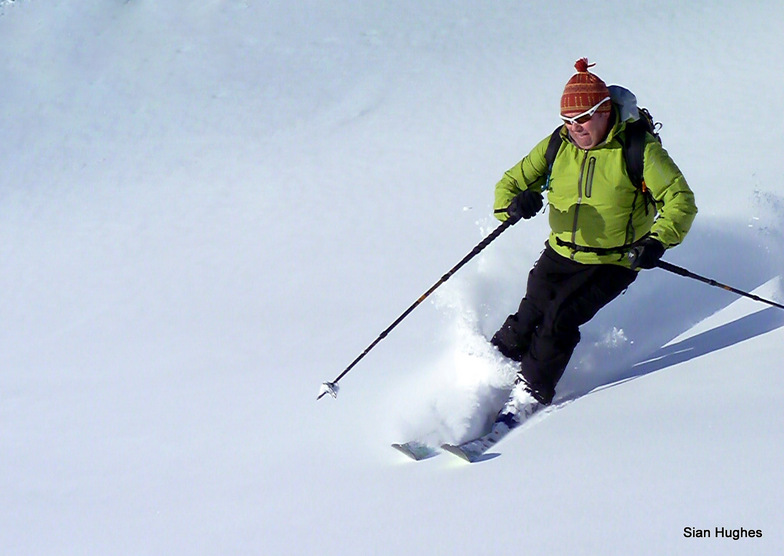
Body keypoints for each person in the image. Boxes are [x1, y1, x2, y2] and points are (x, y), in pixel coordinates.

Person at [490, 58, 697, 413]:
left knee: (560, 317)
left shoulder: (639, 149)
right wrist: (514, 205)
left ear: (604, 111)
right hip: (559, 253)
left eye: (583, 119)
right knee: (530, 313)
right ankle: (485, 375)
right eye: (568, 121)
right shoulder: (558, 144)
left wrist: (656, 242)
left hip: (614, 260)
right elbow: (510, 183)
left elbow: (681, 201)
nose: (575, 128)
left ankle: (528, 395)